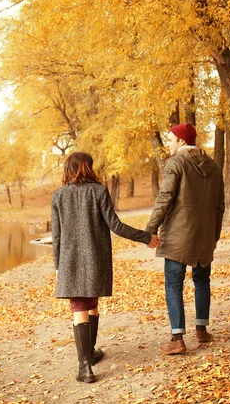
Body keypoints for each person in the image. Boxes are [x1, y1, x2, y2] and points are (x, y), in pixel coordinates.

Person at [52, 152, 159, 383]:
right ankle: (87, 360)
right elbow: (116, 226)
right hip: (95, 259)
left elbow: (56, 235)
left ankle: (86, 364)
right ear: (87, 168)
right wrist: (145, 237)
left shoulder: (58, 195)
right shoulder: (98, 191)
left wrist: (57, 265)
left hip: (69, 260)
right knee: (90, 302)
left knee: (81, 305)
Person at [145, 123, 225, 355]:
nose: (168, 144)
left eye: (170, 139)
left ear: (181, 141)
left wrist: (151, 229)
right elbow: (220, 206)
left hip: (178, 235)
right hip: (205, 234)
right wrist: (215, 235)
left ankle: (177, 338)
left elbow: (165, 198)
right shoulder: (214, 166)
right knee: (202, 280)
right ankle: (201, 330)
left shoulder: (176, 163)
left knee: (173, 283)